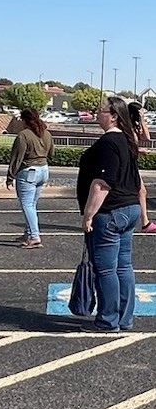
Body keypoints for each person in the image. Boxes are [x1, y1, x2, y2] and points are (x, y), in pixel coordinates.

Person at [76, 96, 141, 332]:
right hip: (129, 208)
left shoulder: (108, 143)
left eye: (100, 110)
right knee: (123, 266)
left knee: (105, 269)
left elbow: (102, 183)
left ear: (113, 115)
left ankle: (107, 320)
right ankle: (124, 318)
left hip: (111, 211)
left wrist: (88, 215)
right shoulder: (126, 141)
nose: (96, 113)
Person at [6, 109, 54, 249]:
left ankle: (34, 236)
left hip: (28, 171)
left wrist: (10, 176)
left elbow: (17, 157)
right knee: (32, 204)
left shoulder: (23, 135)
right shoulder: (47, 133)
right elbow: (52, 153)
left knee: (27, 205)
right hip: (43, 169)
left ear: (24, 120)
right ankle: (28, 232)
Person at [127, 102, 156, 232]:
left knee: (141, 191)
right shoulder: (125, 127)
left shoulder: (134, 125)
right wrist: (139, 151)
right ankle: (144, 222)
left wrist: (143, 120)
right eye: (141, 112)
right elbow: (125, 147)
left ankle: (145, 222)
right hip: (126, 163)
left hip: (132, 162)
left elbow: (147, 137)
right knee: (140, 191)